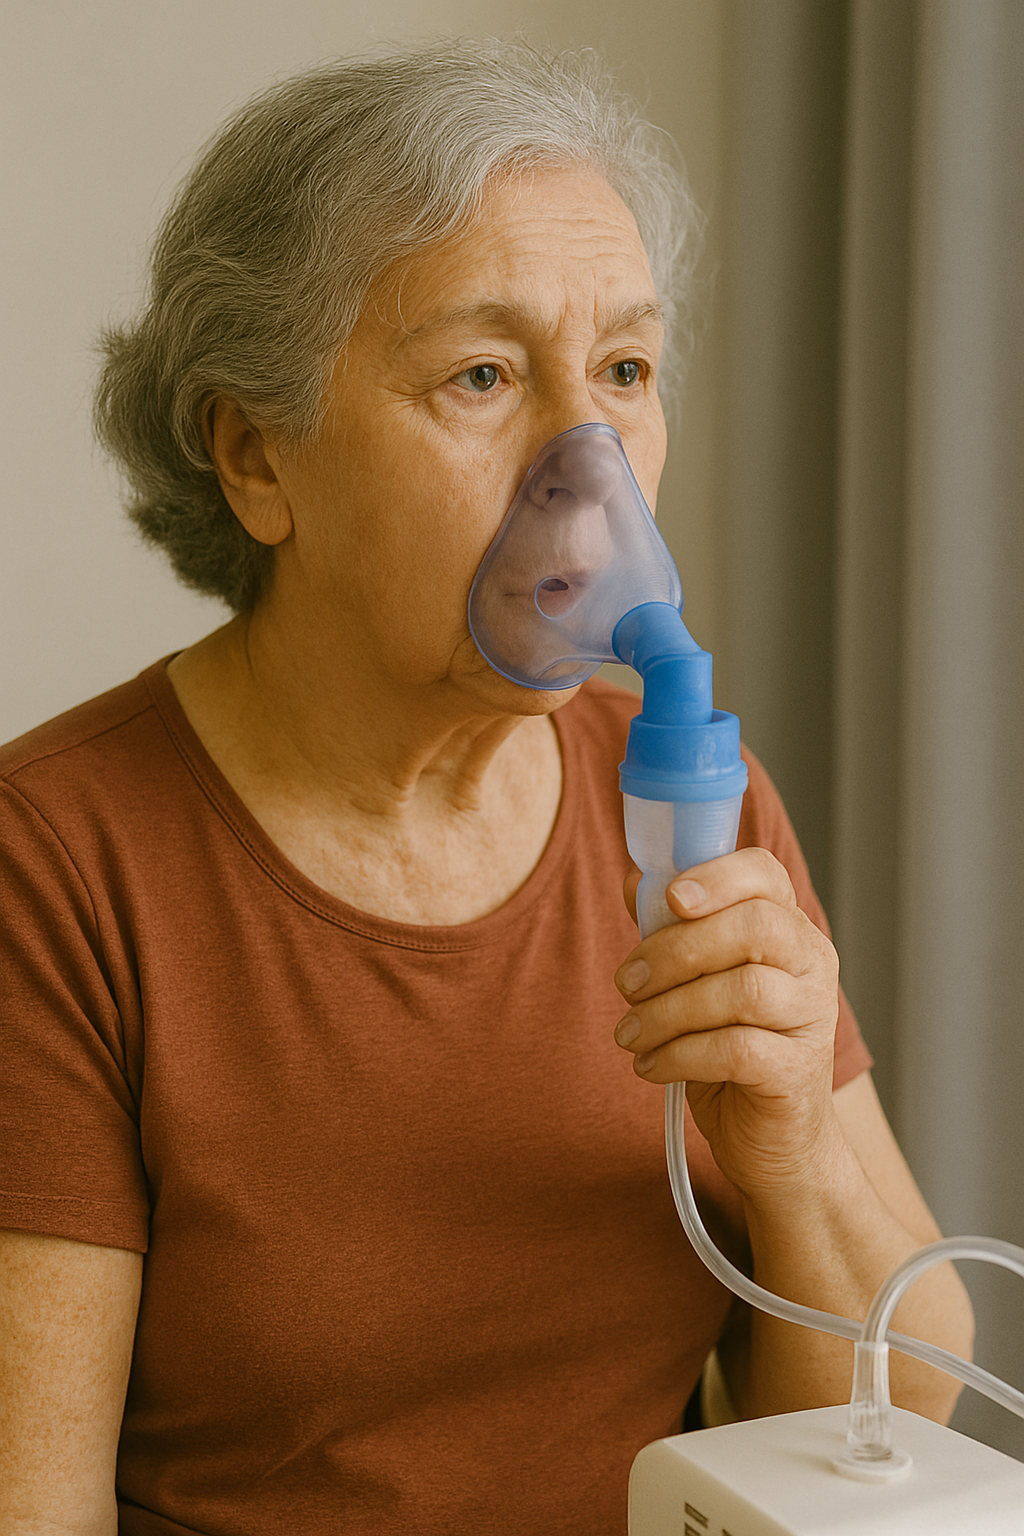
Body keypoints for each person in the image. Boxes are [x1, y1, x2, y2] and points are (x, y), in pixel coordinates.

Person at [0, 38, 972, 1536]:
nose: (589, 464)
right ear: (258, 457)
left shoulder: (683, 798)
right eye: (484, 373)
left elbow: (893, 1417)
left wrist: (789, 1156)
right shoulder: (55, 869)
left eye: (627, 372)